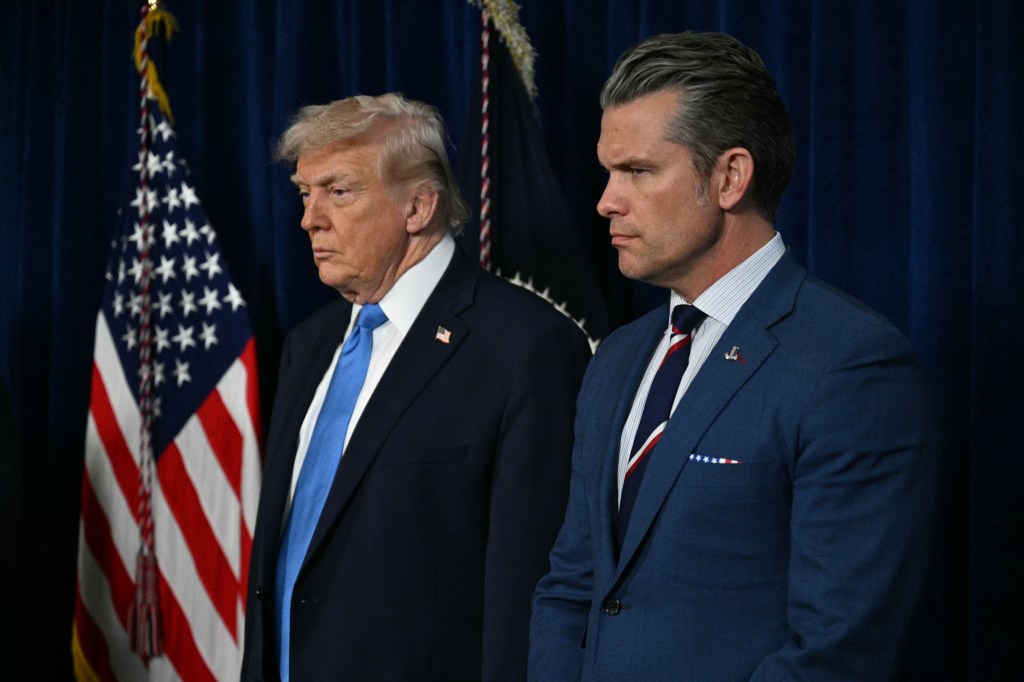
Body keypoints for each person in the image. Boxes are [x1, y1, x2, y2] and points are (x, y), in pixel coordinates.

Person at [529, 32, 941, 681]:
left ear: (729, 177)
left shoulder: (851, 365)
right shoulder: (615, 357)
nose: (606, 200)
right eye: (609, 172)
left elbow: (838, 647)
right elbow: (571, 587)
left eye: (636, 171)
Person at [241, 93, 591, 681]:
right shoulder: (308, 344)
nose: (309, 218)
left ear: (419, 206)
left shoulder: (525, 347)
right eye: (305, 193)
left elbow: (525, 595)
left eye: (339, 191)